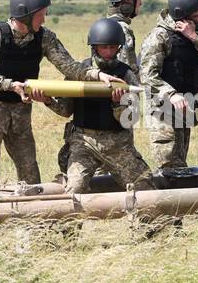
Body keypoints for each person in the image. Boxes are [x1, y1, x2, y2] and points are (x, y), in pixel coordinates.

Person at [0, 0, 126, 186]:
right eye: (40, 15)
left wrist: (98, 75)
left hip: (20, 112)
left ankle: (35, 215)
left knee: (29, 171)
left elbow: (69, 67)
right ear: (25, 15)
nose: (43, 20)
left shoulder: (44, 37)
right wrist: (9, 85)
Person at [47, 18, 153, 194]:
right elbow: (66, 110)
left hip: (118, 144)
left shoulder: (126, 75)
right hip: (83, 143)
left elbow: (131, 119)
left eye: (113, 47)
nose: (109, 52)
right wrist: (48, 100)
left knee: (144, 186)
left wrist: (118, 103)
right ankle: (69, 222)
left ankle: (152, 222)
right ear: (94, 47)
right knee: (74, 190)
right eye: (104, 47)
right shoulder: (79, 72)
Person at [139, 0, 198, 170]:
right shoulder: (158, 38)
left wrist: (194, 37)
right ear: (183, 16)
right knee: (170, 168)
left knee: (180, 167)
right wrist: (170, 94)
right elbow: (147, 75)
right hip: (162, 112)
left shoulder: (193, 36)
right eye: (196, 16)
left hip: (185, 110)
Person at [105, 0, 143, 71]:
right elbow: (127, 67)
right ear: (128, 1)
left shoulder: (105, 25)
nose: (141, 3)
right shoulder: (123, 28)